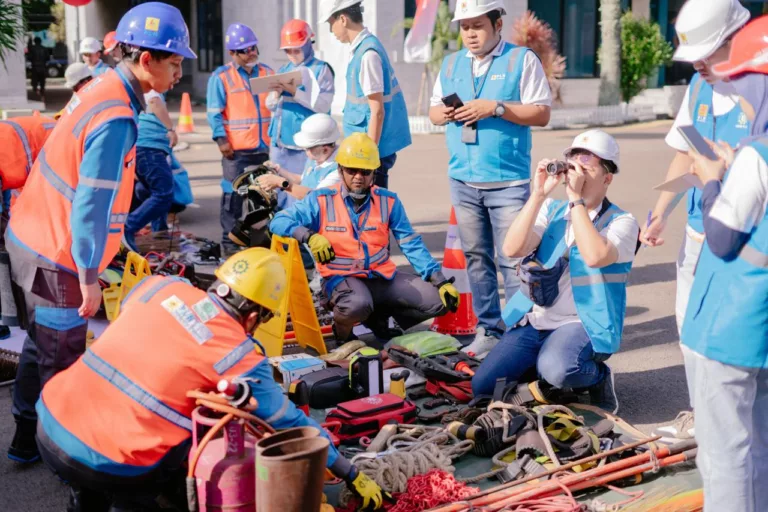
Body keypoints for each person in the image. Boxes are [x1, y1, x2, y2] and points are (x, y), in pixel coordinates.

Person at [35, 248, 387, 511]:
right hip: (116, 460)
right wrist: (350, 473)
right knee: (190, 451)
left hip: (51, 422)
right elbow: (291, 425)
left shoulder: (160, 286)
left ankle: (84, 497)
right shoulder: (238, 355)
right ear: (254, 316)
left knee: (88, 485)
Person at [6, 1, 196, 464]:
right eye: (174, 63)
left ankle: (25, 441)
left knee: (40, 344)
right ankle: (63, 460)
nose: (179, 75)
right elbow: (90, 204)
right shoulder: (116, 118)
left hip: (33, 237)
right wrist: (90, 275)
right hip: (58, 253)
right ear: (146, 59)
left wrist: (117, 246)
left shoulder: (102, 90)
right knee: (62, 359)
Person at [640, 0, 751, 443]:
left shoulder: (758, 89)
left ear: (735, 38)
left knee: (737, 340)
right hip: (697, 232)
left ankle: (734, 425)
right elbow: (685, 152)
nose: (700, 65)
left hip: (744, 241)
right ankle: (700, 415)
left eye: (709, 53)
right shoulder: (698, 87)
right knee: (689, 329)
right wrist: (659, 214)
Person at [472, 130, 639, 415]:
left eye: (587, 167)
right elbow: (512, 248)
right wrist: (538, 194)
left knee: (560, 370)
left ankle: (597, 376)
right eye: (573, 164)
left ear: (607, 178)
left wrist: (576, 200)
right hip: (537, 318)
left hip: (584, 322)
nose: (577, 172)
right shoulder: (552, 208)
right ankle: (541, 374)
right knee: (483, 386)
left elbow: (595, 255)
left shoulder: (622, 222)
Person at [428, 0, 552, 359]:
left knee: (513, 260)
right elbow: (434, 111)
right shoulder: (451, 64)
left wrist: (495, 107)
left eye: (477, 25)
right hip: (463, 181)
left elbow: (541, 112)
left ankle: (520, 332)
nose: (469, 33)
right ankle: (489, 329)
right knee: (476, 258)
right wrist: (446, 113)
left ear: (498, 23)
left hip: (508, 183)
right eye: (464, 26)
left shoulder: (521, 60)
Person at [681, 17, 768, 511]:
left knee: (725, 454)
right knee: (758, 447)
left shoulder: (758, 155)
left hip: (728, 327)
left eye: (741, 82)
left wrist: (714, 178)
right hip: (761, 330)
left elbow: (721, 238)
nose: (737, 93)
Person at [270, 133, 459, 342]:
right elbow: (278, 221)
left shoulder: (388, 201)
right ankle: (343, 335)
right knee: (356, 305)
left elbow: (411, 244)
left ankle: (378, 320)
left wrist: (439, 281)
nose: (358, 176)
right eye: (351, 170)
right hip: (342, 280)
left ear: (374, 173)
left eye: (365, 171)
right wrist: (309, 236)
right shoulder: (321, 199)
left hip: (380, 278)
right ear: (340, 170)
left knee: (440, 301)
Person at [320, 0, 412, 188]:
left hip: (368, 153)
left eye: (331, 23)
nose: (331, 31)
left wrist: (369, 156)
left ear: (343, 19)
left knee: (372, 210)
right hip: (364, 149)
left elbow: (377, 111)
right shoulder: (363, 49)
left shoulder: (367, 54)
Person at [207, 23, 275, 253]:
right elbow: (214, 112)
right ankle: (229, 248)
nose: (252, 53)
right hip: (235, 152)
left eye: (253, 47)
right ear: (232, 54)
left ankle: (259, 247)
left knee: (261, 201)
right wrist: (220, 139)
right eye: (245, 50)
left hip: (262, 148)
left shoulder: (267, 73)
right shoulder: (221, 77)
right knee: (233, 200)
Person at [266, 18, 335, 175]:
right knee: (280, 192)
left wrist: (295, 92)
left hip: (308, 146)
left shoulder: (321, 70)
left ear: (308, 44)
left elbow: (323, 106)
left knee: (304, 190)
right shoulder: (284, 69)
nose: (291, 55)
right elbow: (270, 106)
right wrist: (275, 96)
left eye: (296, 50)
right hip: (281, 145)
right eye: (287, 51)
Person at [122, 88, 179, 252]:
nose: (176, 77)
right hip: (149, 148)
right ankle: (128, 227)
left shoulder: (140, 88)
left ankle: (159, 228)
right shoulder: (150, 87)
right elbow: (155, 102)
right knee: (164, 193)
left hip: (144, 148)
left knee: (146, 190)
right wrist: (170, 129)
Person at [258, 113, 342, 210]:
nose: (305, 151)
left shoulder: (337, 170)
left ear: (325, 149)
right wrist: (279, 170)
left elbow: (316, 197)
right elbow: (302, 180)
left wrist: (279, 183)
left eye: (308, 148)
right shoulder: (317, 157)